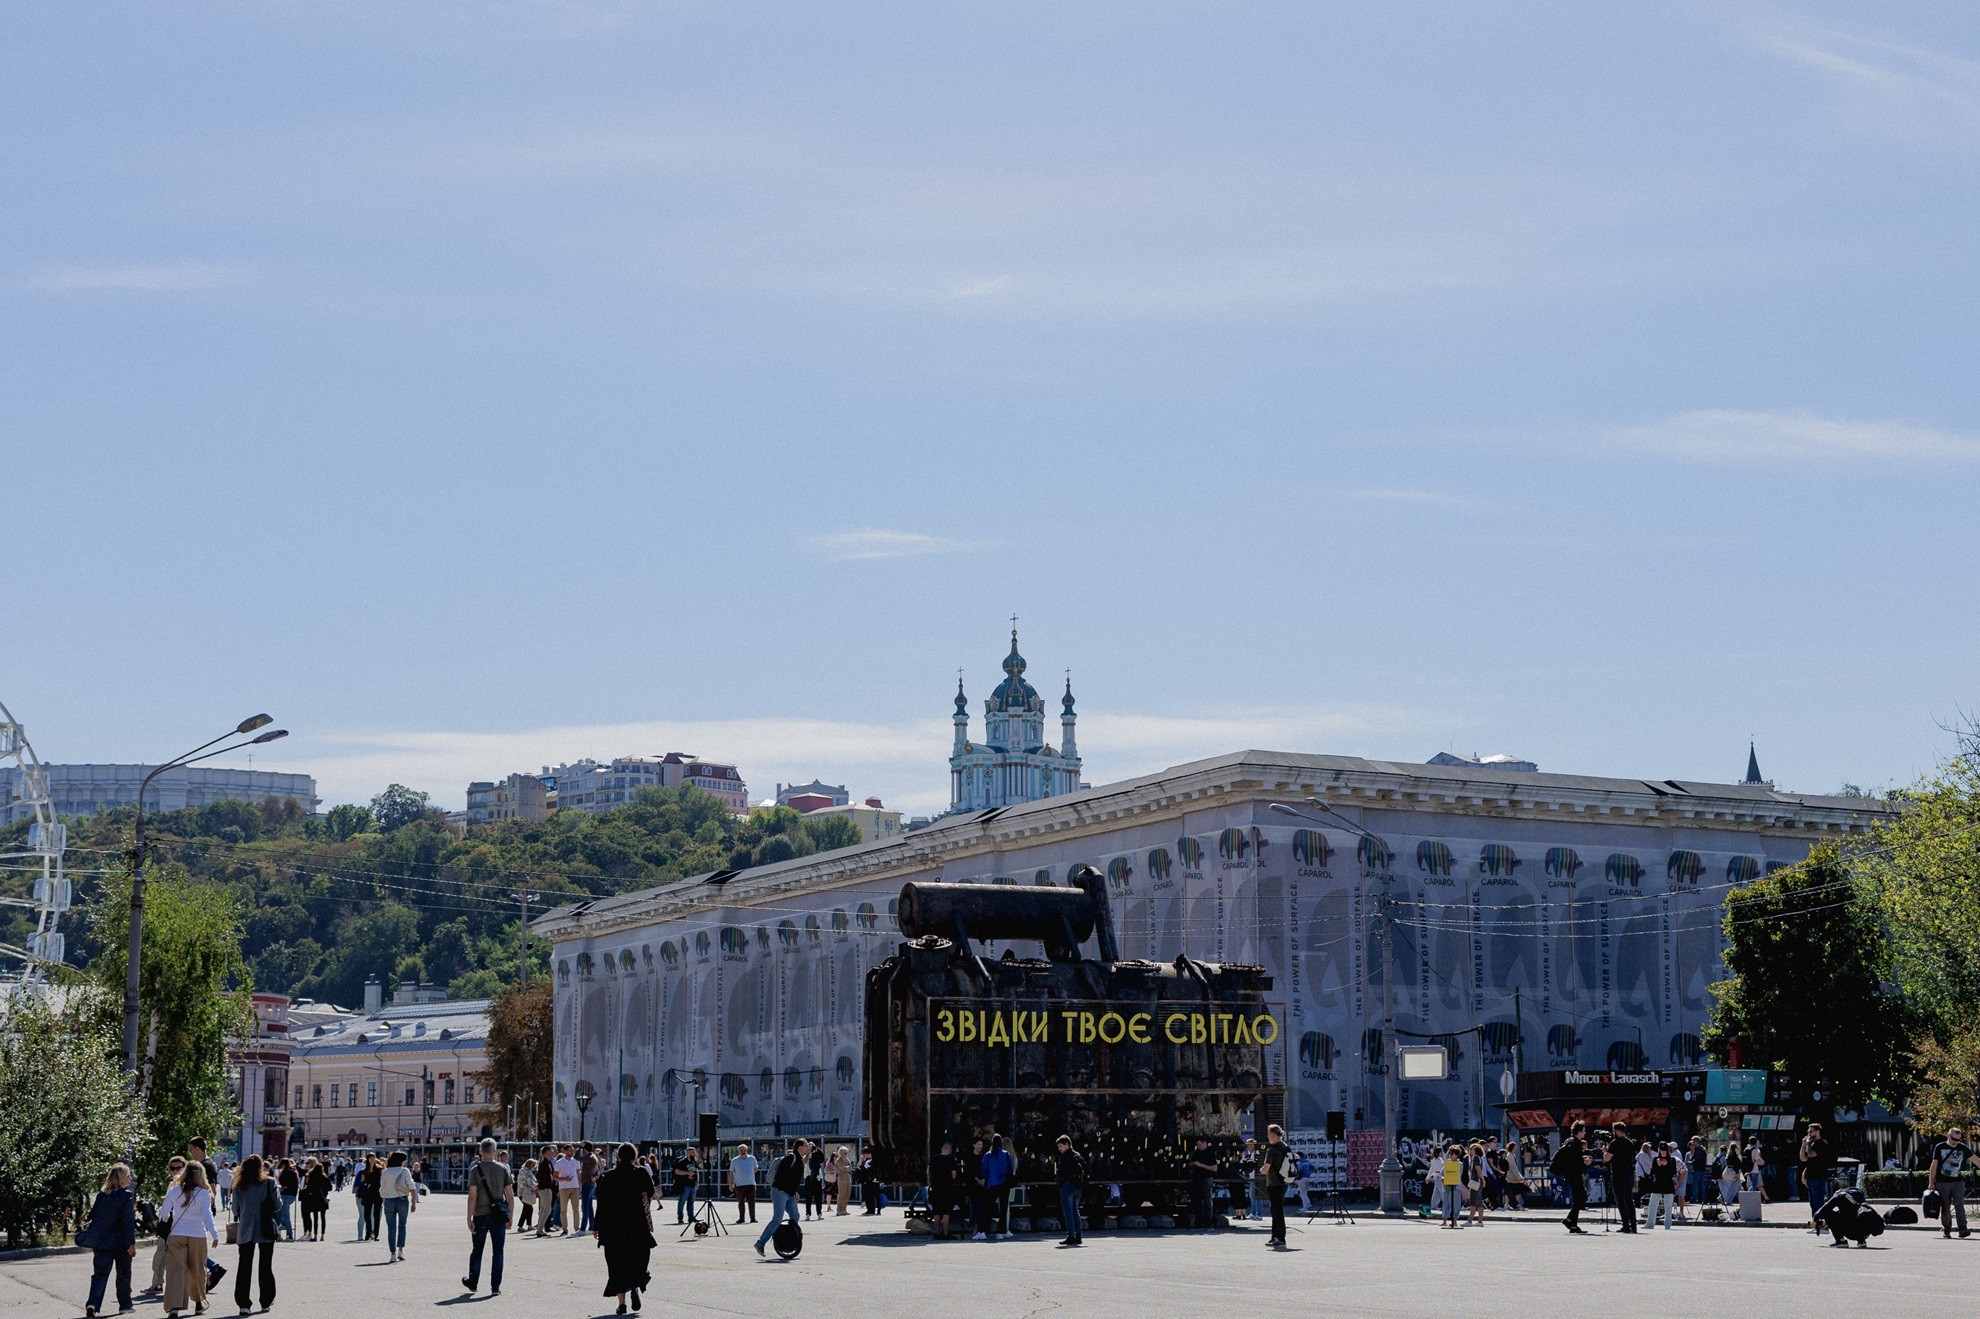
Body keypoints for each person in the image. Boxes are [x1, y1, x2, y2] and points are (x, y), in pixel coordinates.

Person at [593, 1143, 655, 1313]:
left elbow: (602, 1203)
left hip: (614, 1228)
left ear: (618, 1157)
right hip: (637, 1226)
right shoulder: (641, 1173)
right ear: (634, 1157)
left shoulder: (609, 1176)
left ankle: (622, 1304)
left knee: (617, 1265)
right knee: (638, 1260)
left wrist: (596, 1226)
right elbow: (650, 1192)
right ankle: (635, 1286)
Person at [160, 1159, 219, 1317]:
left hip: (177, 1233)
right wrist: (214, 1234)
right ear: (201, 1175)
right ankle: (199, 1302)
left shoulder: (174, 1190)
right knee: (197, 1270)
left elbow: (164, 1212)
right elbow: (207, 1216)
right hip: (197, 1235)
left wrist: (167, 1221)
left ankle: (174, 1307)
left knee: (175, 1271)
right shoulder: (204, 1193)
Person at [80, 1162, 137, 1318]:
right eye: (127, 1175)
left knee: (99, 1274)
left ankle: (93, 1304)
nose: (130, 1178)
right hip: (121, 1243)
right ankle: (125, 1305)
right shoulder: (126, 1195)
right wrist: (131, 1243)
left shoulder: (101, 1196)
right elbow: (128, 1221)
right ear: (120, 1179)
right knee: (123, 1275)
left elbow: (94, 1217)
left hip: (102, 1244)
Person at [461, 1138, 515, 1297]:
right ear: (494, 1151)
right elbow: (510, 1195)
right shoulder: (503, 1168)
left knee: (477, 1250)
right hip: (498, 1215)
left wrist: (469, 1217)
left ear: (480, 1151)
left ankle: (473, 1283)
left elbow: (472, 1195)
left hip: (480, 1215)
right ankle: (495, 1287)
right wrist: (510, 1215)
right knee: (498, 1251)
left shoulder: (474, 1170)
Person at [230, 1155, 279, 1315]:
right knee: (265, 1266)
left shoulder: (238, 1186)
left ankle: (244, 1303)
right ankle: (266, 1301)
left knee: (244, 1267)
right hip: (265, 1228)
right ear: (261, 1167)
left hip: (245, 1229)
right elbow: (277, 1205)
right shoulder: (269, 1183)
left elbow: (235, 1210)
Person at [752, 1139, 808, 1258]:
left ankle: (788, 1237)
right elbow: (781, 1173)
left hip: (790, 1193)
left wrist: (795, 1191)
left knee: (795, 1216)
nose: (809, 1147)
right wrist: (782, 1187)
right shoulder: (790, 1158)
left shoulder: (800, 1161)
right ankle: (760, 1243)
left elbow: (794, 1178)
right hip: (780, 1192)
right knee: (777, 1219)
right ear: (800, 1147)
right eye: (806, 1145)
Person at [143, 1156, 189, 1296]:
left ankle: (188, 1287)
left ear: (185, 1167)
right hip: (168, 1226)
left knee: (183, 1259)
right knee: (160, 1256)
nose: (176, 1171)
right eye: (173, 1168)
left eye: (179, 1168)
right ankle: (157, 1284)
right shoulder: (171, 1184)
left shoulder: (189, 1185)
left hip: (182, 1226)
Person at [1928, 1126, 1970, 1239]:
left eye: (1958, 1140)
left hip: (1958, 1182)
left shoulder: (1962, 1148)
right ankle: (1947, 1229)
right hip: (1942, 1182)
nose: (1956, 1142)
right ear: (1948, 1135)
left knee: (1959, 1205)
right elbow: (1934, 1165)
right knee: (1945, 1207)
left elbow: (1975, 1159)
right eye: (1953, 1139)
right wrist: (1931, 1183)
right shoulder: (1940, 1147)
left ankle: (1962, 1229)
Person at [1552, 1122, 1591, 1234]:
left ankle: (1573, 1225)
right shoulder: (1577, 1144)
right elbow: (1576, 1164)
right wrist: (1586, 1164)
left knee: (1577, 1199)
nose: (1585, 1132)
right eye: (1584, 1130)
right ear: (1579, 1131)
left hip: (1569, 1174)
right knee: (1582, 1197)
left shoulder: (1569, 1141)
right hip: (1574, 1175)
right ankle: (1569, 1220)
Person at [977, 1134, 1016, 1241]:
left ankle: (983, 1231)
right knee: (1003, 1209)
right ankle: (1001, 1231)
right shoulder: (1006, 1155)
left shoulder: (988, 1155)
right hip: (1004, 1184)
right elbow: (1011, 1169)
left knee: (988, 1208)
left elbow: (983, 1170)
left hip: (991, 1184)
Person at [380, 1151, 417, 1262]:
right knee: (402, 1226)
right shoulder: (404, 1171)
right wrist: (413, 1202)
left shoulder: (386, 1172)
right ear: (401, 1160)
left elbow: (383, 1188)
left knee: (391, 1228)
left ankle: (392, 1254)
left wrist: (384, 1200)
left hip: (389, 1201)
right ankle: (401, 1250)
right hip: (402, 1200)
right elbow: (412, 1186)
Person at [1261, 1125, 1294, 1247]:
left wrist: (1260, 1169)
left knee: (1276, 1211)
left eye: (1269, 1134)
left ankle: (1279, 1237)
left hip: (1274, 1183)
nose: (1267, 1136)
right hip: (1284, 1182)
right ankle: (1275, 1236)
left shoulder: (1272, 1150)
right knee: (1276, 1209)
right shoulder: (1286, 1147)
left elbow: (1265, 1169)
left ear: (1274, 1134)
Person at [1053, 1136, 1087, 1247]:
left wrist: (1060, 1183)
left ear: (1067, 1144)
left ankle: (1071, 1236)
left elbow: (1062, 1172)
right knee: (1075, 1211)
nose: (1059, 1148)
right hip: (1077, 1187)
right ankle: (1078, 1236)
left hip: (1067, 1186)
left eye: (1060, 1146)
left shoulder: (1065, 1156)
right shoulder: (1077, 1155)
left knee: (1068, 1213)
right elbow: (1086, 1168)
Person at [1606, 1124, 1640, 1235]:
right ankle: (1633, 1225)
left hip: (1618, 1174)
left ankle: (1626, 1225)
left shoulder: (1614, 1143)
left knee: (1620, 1200)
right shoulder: (1630, 1143)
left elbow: (1607, 1158)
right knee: (1629, 1199)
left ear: (1616, 1131)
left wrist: (1604, 1151)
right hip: (1629, 1173)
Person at [1800, 1123, 1833, 1235]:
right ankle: (1816, 1225)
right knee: (1813, 1202)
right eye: (1808, 1132)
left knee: (1819, 1202)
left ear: (1818, 1131)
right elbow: (1803, 1158)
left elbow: (1812, 1154)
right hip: (1811, 1176)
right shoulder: (1811, 1144)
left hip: (1819, 1176)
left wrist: (1808, 1144)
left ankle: (1823, 1226)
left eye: (1811, 1131)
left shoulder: (1821, 1144)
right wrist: (1803, 1144)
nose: (1809, 1134)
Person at [927, 1142, 960, 1240]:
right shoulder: (951, 1160)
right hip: (947, 1189)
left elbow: (928, 1171)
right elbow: (953, 1175)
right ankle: (945, 1233)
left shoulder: (934, 1158)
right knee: (946, 1211)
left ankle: (937, 1232)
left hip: (936, 1188)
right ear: (950, 1150)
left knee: (936, 1211)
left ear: (942, 1148)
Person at [1186, 1139, 1219, 1231]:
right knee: (1197, 1202)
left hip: (1206, 1178)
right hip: (1196, 1178)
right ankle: (1198, 1224)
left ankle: (1209, 1224)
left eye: (1200, 1145)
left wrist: (1200, 1165)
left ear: (1205, 1143)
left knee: (1207, 1201)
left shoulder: (1210, 1152)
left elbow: (1214, 1168)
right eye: (1197, 1145)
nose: (1198, 1147)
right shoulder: (1196, 1152)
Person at [1644, 1146, 1678, 1230]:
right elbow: (1652, 1172)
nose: (1663, 1152)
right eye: (1661, 1150)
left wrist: (1666, 1165)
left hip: (1668, 1183)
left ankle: (1667, 1224)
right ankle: (1650, 1224)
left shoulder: (1672, 1159)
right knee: (1653, 1204)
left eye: (1664, 1150)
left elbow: (1673, 1172)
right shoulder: (1656, 1159)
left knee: (1668, 1205)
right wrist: (1658, 1165)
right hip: (1658, 1183)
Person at [553, 1144, 581, 1235]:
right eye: (570, 1150)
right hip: (564, 1188)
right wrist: (564, 1179)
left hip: (575, 1187)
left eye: (572, 1150)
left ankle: (577, 1228)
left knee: (576, 1209)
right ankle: (565, 1229)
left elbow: (578, 1174)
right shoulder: (559, 1162)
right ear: (565, 1151)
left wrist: (580, 1186)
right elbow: (555, 1177)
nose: (572, 1152)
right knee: (563, 1209)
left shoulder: (576, 1161)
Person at [301, 1159, 331, 1242]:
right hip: (323, 1198)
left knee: (315, 1218)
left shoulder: (312, 1177)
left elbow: (309, 1188)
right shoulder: (325, 1177)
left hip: (314, 1199)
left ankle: (315, 1236)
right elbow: (330, 1188)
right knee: (323, 1218)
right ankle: (322, 1235)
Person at [729, 1143, 759, 1225]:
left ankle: (753, 1218)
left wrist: (748, 1173)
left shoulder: (752, 1158)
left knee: (751, 1202)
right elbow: (731, 1173)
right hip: (739, 1185)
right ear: (738, 1151)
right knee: (741, 1202)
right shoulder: (734, 1160)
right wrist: (730, 1184)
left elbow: (756, 1168)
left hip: (751, 1184)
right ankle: (741, 1218)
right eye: (741, 1150)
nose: (743, 1152)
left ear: (747, 1150)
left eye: (744, 1150)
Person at [354, 1155, 381, 1242]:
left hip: (377, 1194)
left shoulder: (379, 1170)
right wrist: (360, 1195)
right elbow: (361, 1185)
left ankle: (376, 1234)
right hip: (367, 1194)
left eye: (373, 1158)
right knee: (366, 1215)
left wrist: (384, 1195)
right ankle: (368, 1232)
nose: (372, 1159)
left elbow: (382, 1183)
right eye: (370, 1158)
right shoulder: (364, 1171)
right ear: (368, 1160)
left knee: (376, 1215)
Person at [671, 1148, 700, 1225]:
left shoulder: (694, 1161)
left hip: (693, 1185)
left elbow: (697, 1171)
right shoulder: (682, 1162)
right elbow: (677, 1171)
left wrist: (697, 1181)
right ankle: (680, 1217)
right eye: (691, 1153)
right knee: (682, 1202)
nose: (692, 1154)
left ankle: (691, 1217)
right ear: (687, 1153)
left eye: (693, 1152)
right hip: (685, 1185)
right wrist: (687, 1173)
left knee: (691, 1202)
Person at [1238, 1138, 1263, 1220]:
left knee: (1255, 1196)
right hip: (1253, 1177)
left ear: (1253, 1145)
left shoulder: (1255, 1154)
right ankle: (1256, 1213)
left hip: (1255, 1178)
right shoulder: (1252, 1154)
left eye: (1249, 1145)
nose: (1247, 1147)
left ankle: (1256, 1213)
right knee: (1255, 1196)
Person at [579, 1142, 602, 1233]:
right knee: (589, 1207)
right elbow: (598, 1172)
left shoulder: (589, 1158)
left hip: (587, 1184)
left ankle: (583, 1229)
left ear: (584, 1149)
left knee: (585, 1207)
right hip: (591, 1184)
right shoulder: (594, 1157)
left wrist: (579, 1147)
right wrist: (595, 1178)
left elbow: (576, 1157)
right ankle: (591, 1227)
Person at [274, 1160, 298, 1242]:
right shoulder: (293, 1171)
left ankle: (289, 1234)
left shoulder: (285, 1172)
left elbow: (283, 1184)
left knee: (284, 1214)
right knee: (283, 1213)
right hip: (292, 1195)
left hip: (285, 1195)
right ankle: (283, 1224)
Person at [1440, 1144, 1463, 1228]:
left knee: (1455, 1204)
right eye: (1450, 1153)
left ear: (1457, 1154)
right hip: (1446, 1186)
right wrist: (1443, 1179)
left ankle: (1455, 1221)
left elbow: (1458, 1175)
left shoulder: (1459, 1164)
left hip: (1455, 1187)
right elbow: (1441, 1174)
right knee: (1445, 1203)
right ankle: (1444, 1221)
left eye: (1452, 1153)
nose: (1450, 1155)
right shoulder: (1447, 1164)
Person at [802, 1144, 826, 1220]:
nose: (809, 1146)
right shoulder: (806, 1155)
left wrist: (816, 1151)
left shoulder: (817, 1153)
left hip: (817, 1177)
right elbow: (804, 1161)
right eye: (808, 1145)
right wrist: (808, 1153)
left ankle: (819, 1213)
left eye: (811, 1145)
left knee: (818, 1196)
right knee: (808, 1196)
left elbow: (822, 1160)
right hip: (808, 1176)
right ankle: (808, 1213)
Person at [1466, 1142, 1487, 1226]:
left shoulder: (1475, 1158)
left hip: (1475, 1181)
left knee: (1473, 1200)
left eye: (1471, 1149)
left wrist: (1482, 1179)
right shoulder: (1480, 1158)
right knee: (1479, 1201)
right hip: (1477, 1180)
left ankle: (1470, 1221)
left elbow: (1478, 1170)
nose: (1470, 1151)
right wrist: (1483, 1180)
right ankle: (1480, 1221)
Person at [515, 1159, 537, 1233]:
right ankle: (521, 1226)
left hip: (521, 1193)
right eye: (534, 1166)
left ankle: (529, 1225)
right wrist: (537, 1186)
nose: (534, 1167)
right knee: (527, 1209)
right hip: (526, 1193)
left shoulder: (521, 1171)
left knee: (528, 1208)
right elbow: (530, 1182)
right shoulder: (528, 1172)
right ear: (531, 1165)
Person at [832, 1146, 854, 1215]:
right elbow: (843, 1168)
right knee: (842, 1193)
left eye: (846, 1153)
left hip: (847, 1176)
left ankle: (844, 1209)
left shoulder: (847, 1160)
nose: (846, 1154)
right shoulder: (838, 1160)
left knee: (847, 1193)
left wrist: (846, 1168)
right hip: (841, 1178)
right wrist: (846, 1168)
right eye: (845, 1153)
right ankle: (839, 1210)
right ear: (841, 1153)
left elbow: (850, 1167)